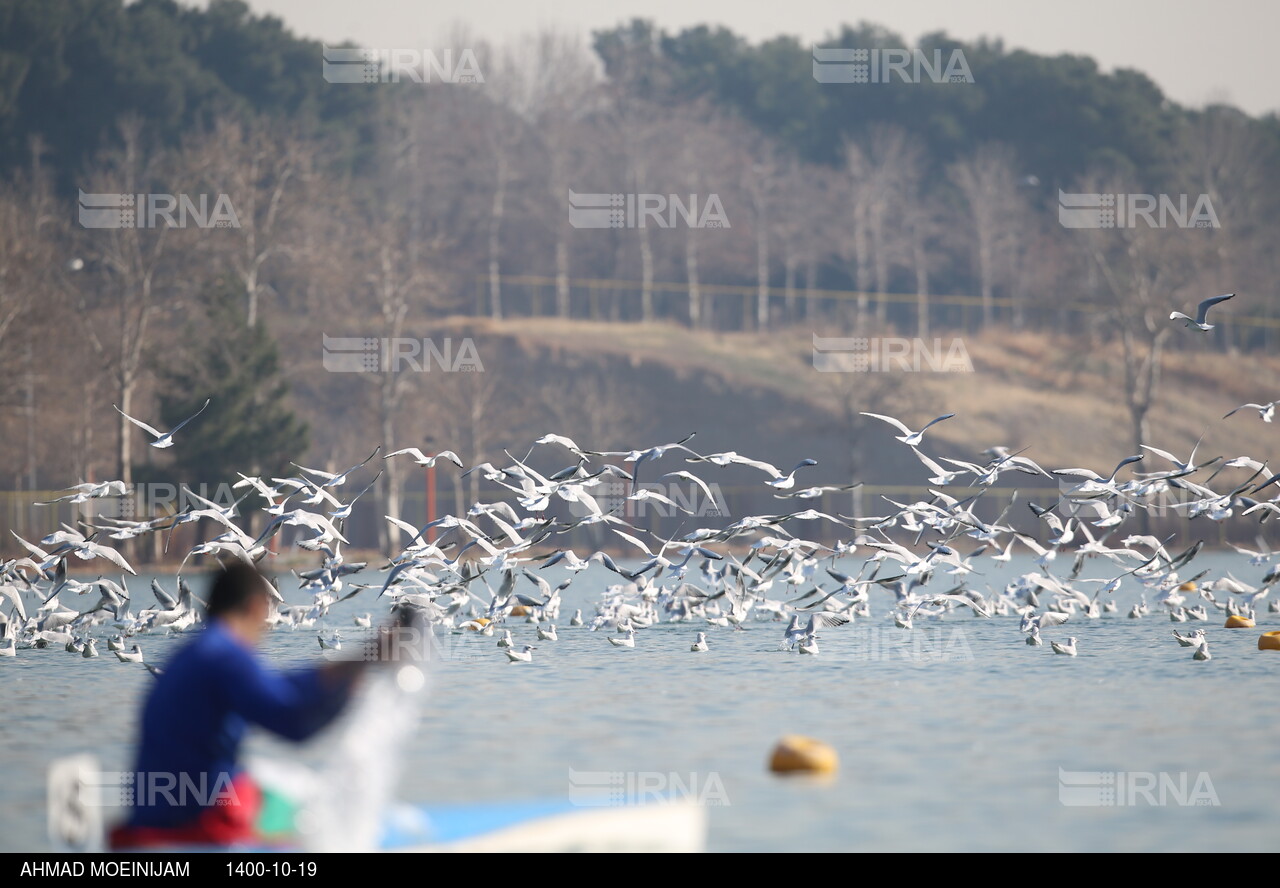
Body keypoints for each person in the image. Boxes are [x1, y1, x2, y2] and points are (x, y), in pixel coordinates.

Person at [109, 563, 370, 849]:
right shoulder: (226, 656)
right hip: (193, 825)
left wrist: (352, 666)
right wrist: (356, 679)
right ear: (257, 606)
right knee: (311, 811)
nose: (267, 629)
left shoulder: (190, 654)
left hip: (151, 816)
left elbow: (279, 689)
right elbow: (294, 722)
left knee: (268, 782)